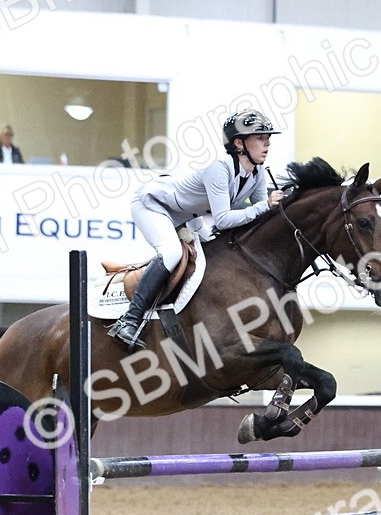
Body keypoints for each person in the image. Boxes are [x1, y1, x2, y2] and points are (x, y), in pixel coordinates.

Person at [106, 109, 285, 349]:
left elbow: (261, 216)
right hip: (154, 206)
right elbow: (223, 219)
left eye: (268, 138)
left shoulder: (257, 173)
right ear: (239, 143)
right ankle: (129, 320)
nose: (268, 143)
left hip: (189, 217)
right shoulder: (220, 168)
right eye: (261, 138)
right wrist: (265, 205)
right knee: (171, 253)